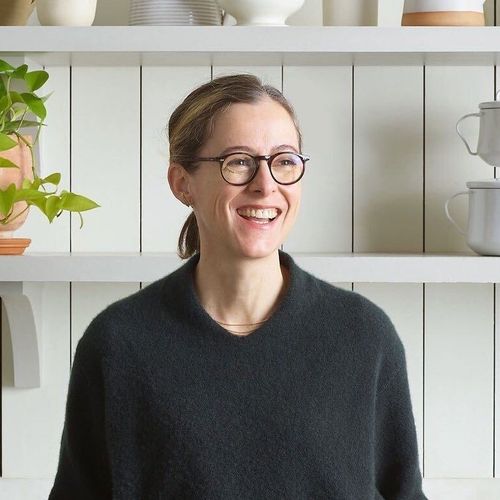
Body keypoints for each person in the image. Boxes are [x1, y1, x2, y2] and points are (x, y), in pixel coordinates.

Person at [49, 73, 427, 499]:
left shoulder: (363, 336)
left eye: (284, 161)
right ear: (182, 183)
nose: (266, 185)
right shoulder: (118, 343)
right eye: (239, 161)